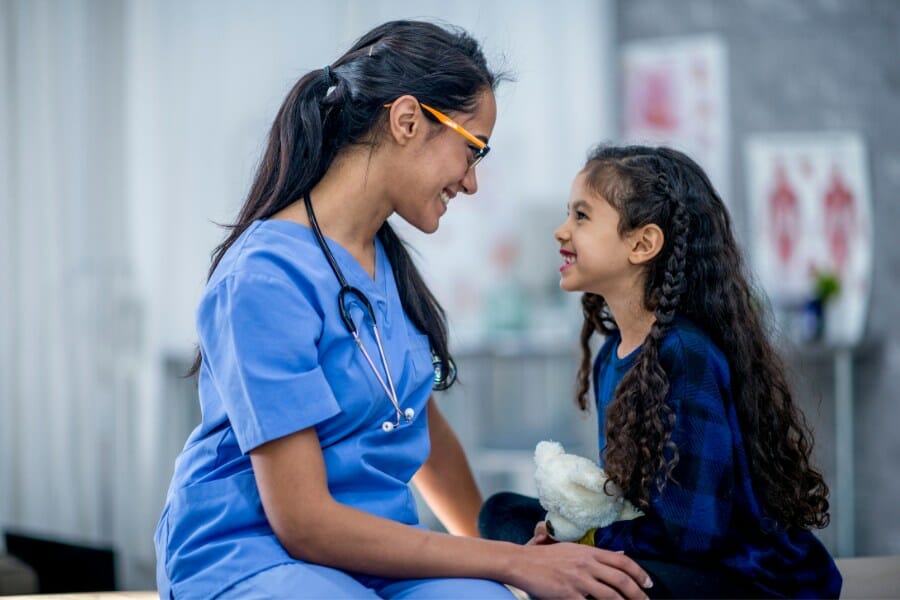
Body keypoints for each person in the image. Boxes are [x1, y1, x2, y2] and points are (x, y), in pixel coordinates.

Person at [154, 21, 654, 599]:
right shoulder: (264, 279)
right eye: (471, 151)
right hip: (254, 551)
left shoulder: (386, 265)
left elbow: (420, 429)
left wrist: (519, 566)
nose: (471, 182)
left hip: (375, 553)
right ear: (408, 120)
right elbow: (303, 522)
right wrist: (505, 563)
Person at [479, 145, 843, 598]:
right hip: (665, 549)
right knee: (499, 513)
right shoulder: (612, 354)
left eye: (581, 216)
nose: (561, 231)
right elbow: (626, 500)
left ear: (642, 243)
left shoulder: (684, 355)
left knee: (589, 579)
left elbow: (693, 536)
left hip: (737, 575)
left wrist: (580, 544)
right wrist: (559, 536)